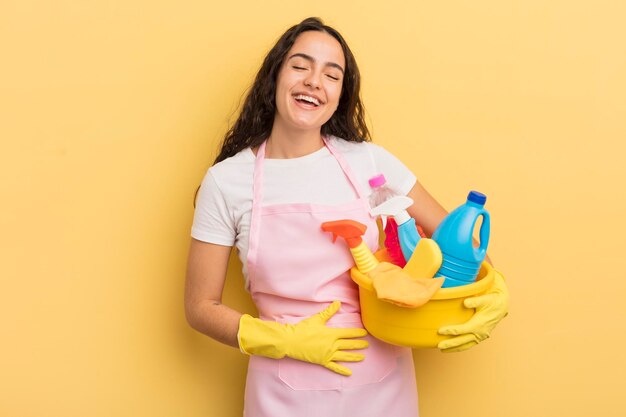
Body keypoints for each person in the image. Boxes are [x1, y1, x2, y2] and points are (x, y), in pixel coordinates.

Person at [185, 17, 509, 417]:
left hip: (382, 389)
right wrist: (280, 340)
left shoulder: (369, 162)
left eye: (331, 74)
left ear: (341, 94)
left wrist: (495, 291)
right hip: (281, 391)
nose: (314, 81)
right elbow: (200, 306)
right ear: (275, 77)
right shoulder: (227, 181)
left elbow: (460, 248)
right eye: (300, 66)